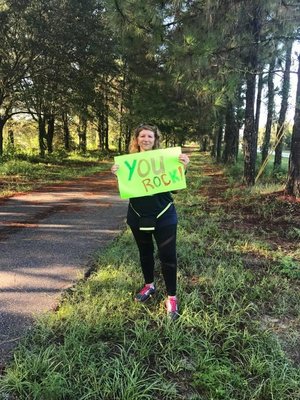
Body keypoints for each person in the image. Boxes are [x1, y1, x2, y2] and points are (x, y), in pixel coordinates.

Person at [111, 124, 190, 320]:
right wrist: (117, 174)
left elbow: (176, 189)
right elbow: (126, 189)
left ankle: (171, 297)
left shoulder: (165, 160)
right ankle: (149, 285)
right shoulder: (128, 163)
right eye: (142, 136)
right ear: (136, 139)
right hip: (137, 215)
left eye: (150, 136)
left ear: (155, 140)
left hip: (164, 214)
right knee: (145, 252)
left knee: (168, 256)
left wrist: (183, 168)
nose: (146, 139)